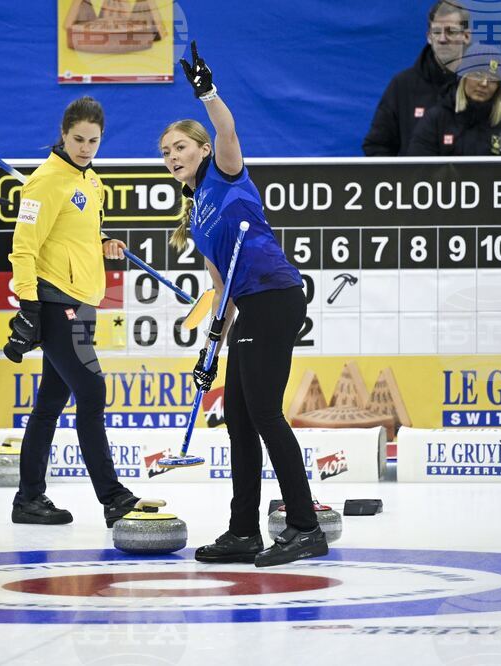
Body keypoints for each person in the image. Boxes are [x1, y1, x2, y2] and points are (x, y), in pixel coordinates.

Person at [162, 42, 326, 567]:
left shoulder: (225, 173)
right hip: (249, 307)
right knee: (237, 418)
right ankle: (243, 530)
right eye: (166, 153)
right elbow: (220, 290)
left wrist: (208, 94)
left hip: (276, 296)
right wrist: (210, 346)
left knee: (263, 414)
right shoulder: (196, 214)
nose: (173, 157)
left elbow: (227, 130)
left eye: (180, 147)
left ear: (202, 150)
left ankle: (305, 527)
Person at [4, 96, 142, 528]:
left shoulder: (92, 181)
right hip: (55, 301)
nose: (85, 147)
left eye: (93, 141)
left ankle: (28, 499)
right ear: (63, 134)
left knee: (50, 403)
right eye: (78, 139)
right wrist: (28, 303)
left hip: (82, 302)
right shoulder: (44, 182)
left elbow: (72, 232)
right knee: (92, 390)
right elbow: (23, 247)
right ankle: (113, 496)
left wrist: (101, 244)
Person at [362, 1, 471, 156]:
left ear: (466, 36)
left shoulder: (481, 85)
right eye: (436, 32)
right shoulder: (403, 85)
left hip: (468, 179)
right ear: (428, 37)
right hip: (414, 180)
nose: (442, 39)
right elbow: (377, 146)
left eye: (451, 31)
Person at [406, 50, 501, 156]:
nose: (484, 84)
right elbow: (418, 170)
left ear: (498, 87)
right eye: (478, 75)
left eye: (492, 78)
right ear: (463, 77)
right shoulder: (436, 120)